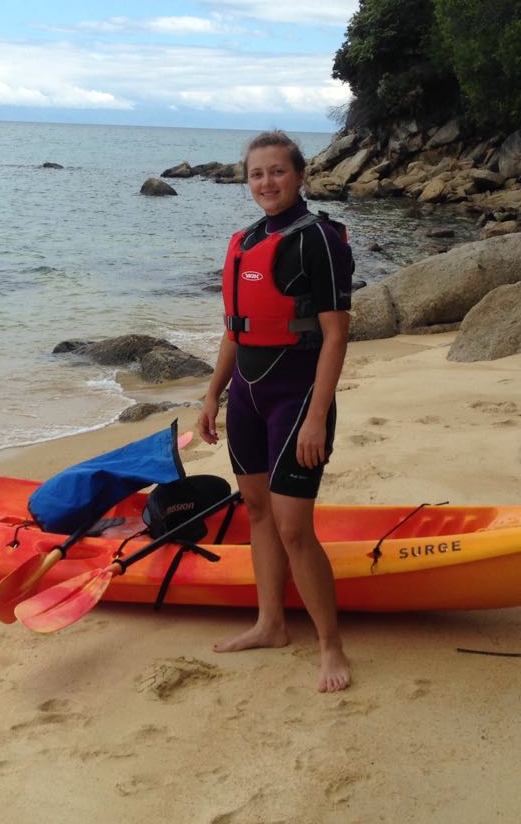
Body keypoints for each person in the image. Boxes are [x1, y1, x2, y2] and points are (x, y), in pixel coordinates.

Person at [196, 130, 353, 693]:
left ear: (300, 175)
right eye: (257, 173)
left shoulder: (321, 241)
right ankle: (270, 624)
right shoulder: (242, 243)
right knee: (257, 511)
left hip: (297, 399)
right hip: (247, 396)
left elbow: (336, 337)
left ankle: (330, 644)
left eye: (277, 171)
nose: (267, 182)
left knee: (293, 527)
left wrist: (316, 416)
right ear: (247, 181)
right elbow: (234, 331)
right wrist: (213, 395)